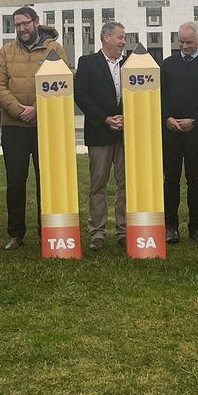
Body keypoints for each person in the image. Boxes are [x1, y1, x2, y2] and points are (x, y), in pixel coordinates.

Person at [0, 6, 69, 250]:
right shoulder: (6, 51)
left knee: (46, 179)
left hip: (45, 127)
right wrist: (19, 110)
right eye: (17, 25)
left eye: (25, 23)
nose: (21, 29)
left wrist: (38, 108)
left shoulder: (54, 49)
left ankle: (46, 232)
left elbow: (62, 80)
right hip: (14, 127)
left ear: (36, 22)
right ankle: (16, 234)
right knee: (15, 181)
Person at [75, 21, 127, 251]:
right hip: (99, 132)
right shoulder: (87, 63)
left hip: (126, 134)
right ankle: (97, 232)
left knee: (126, 184)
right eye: (120, 37)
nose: (123, 42)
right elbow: (82, 96)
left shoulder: (132, 63)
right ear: (106, 38)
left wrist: (126, 118)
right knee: (98, 185)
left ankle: (124, 230)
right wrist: (105, 119)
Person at [161, 21, 198, 244]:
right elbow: (160, 95)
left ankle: (196, 227)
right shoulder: (168, 64)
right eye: (181, 42)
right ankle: (171, 226)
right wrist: (167, 117)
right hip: (170, 131)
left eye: (189, 42)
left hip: (195, 133)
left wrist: (195, 121)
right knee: (170, 179)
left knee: (195, 179)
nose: (184, 46)